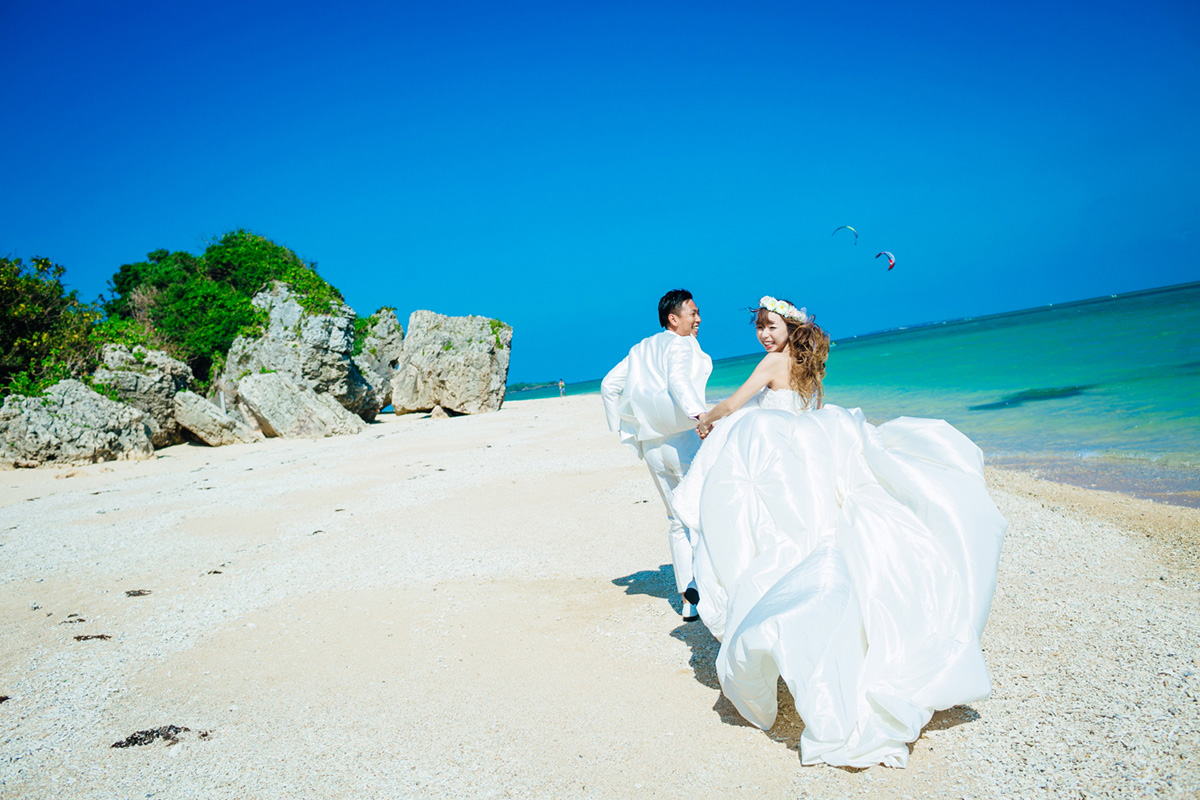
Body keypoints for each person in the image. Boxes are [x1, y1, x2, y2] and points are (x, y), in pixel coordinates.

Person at [673, 296, 1007, 768]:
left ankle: (786, 621)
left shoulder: (771, 363)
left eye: (770, 326)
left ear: (788, 328)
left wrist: (707, 419)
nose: (764, 335)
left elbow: (735, 402)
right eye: (760, 328)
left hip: (780, 460)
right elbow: (806, 413)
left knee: (770, 535)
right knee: (818, 533)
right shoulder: (809, 365)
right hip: (809, 455)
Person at [601, 289, 712, 621]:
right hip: (683, 443)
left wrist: (629, 430)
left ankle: (688, 600)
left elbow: (608, 385)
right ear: (673, 319)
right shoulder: (680, 343)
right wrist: (700, 416)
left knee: (677, 521)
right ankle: (714, 590)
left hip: (652, 447)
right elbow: (678, 381)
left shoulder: (640, 348)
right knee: (704, 512)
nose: (699, 319)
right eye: (693, 313)